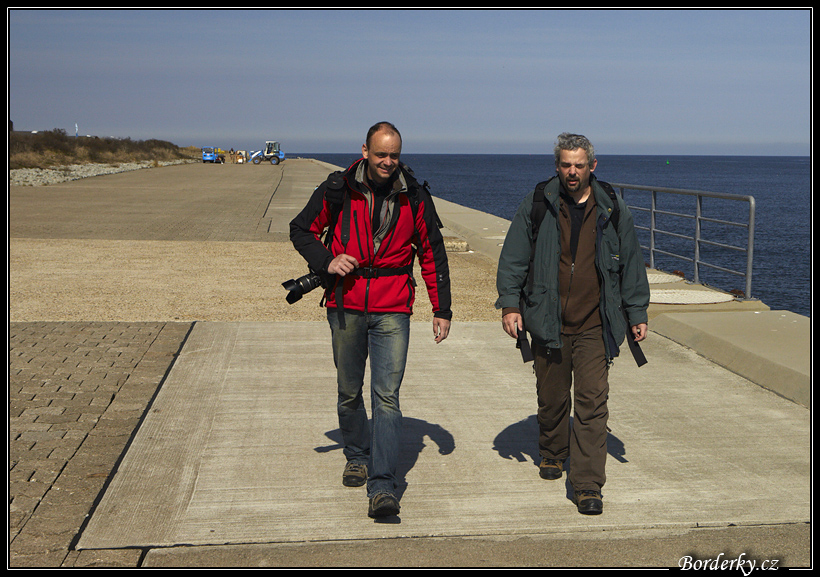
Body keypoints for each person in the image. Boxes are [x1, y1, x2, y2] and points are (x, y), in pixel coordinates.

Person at [290, 122, 452, 518]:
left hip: (393, 307)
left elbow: (432, 252)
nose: (387, 162)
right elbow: (301, 230)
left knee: (386, 397)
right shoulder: (337, 188)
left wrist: (441, 308)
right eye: (380, 155)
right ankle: (357, 456)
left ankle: (382, 485)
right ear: (365, 151)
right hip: (345, 304)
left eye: (394, 155)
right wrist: (327, 260)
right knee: (348, 391)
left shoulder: (414, 195)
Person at [495, 133, 649, 515]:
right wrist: (510, 306)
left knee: (592, 403)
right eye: (566, 164)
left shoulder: (612, 207)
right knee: (552, 398)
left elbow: (630, 263)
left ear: (592, 166)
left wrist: (637, 312)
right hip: (548, 321)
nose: (572, 171)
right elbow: (514, 258)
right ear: (557, 166)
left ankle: (587, 485)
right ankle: (552, 449)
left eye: (579, 165)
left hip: (595, 323)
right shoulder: (538, 204)